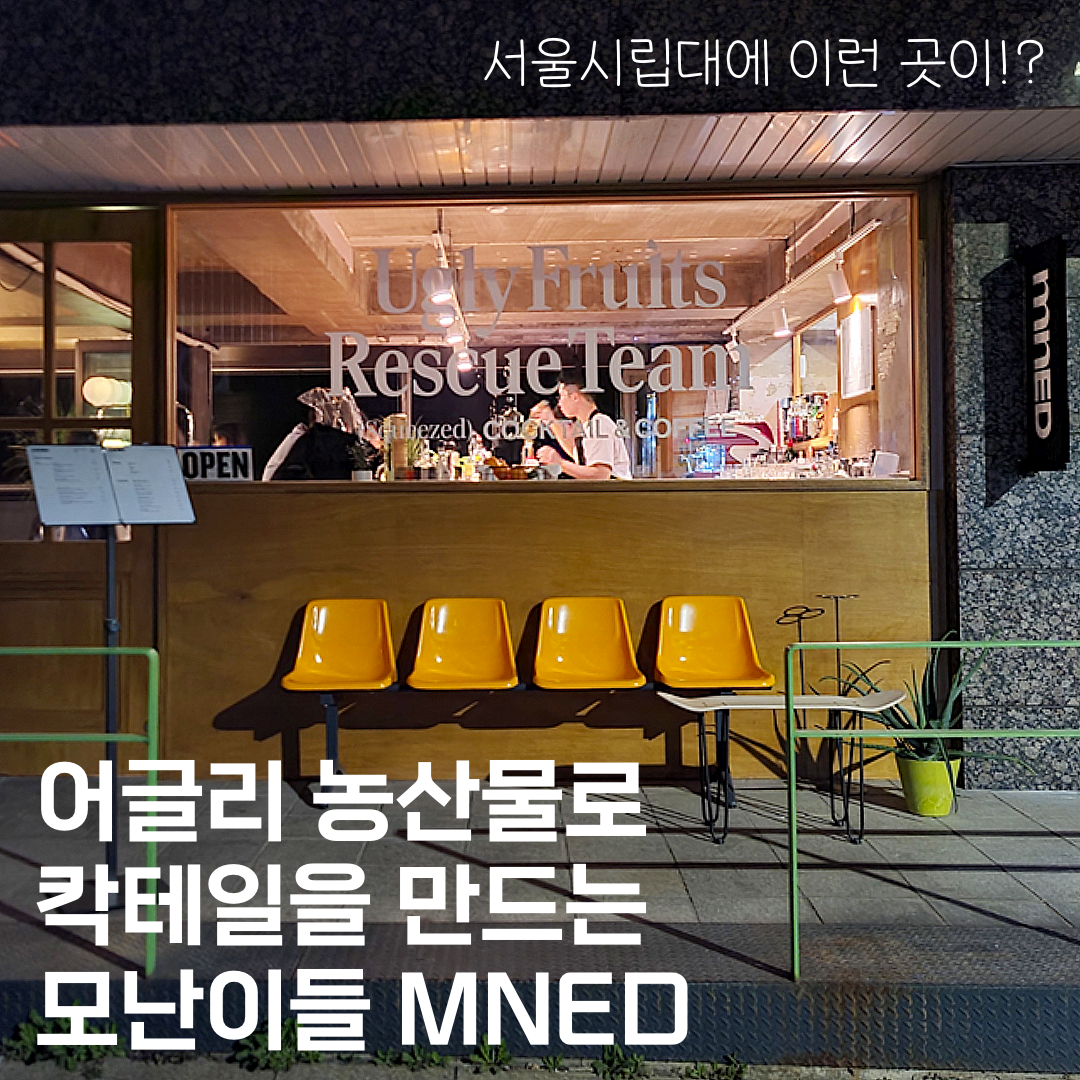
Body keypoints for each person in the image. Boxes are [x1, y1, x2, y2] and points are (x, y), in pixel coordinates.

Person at [536, 374, 633, 480]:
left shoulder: (599, 424)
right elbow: (576, 452)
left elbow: (601, 475)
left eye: (561, 396)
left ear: (575, 397)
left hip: (615, 490)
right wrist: (550, 421)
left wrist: (560, 463)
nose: (559, 403)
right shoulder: (588, 425)